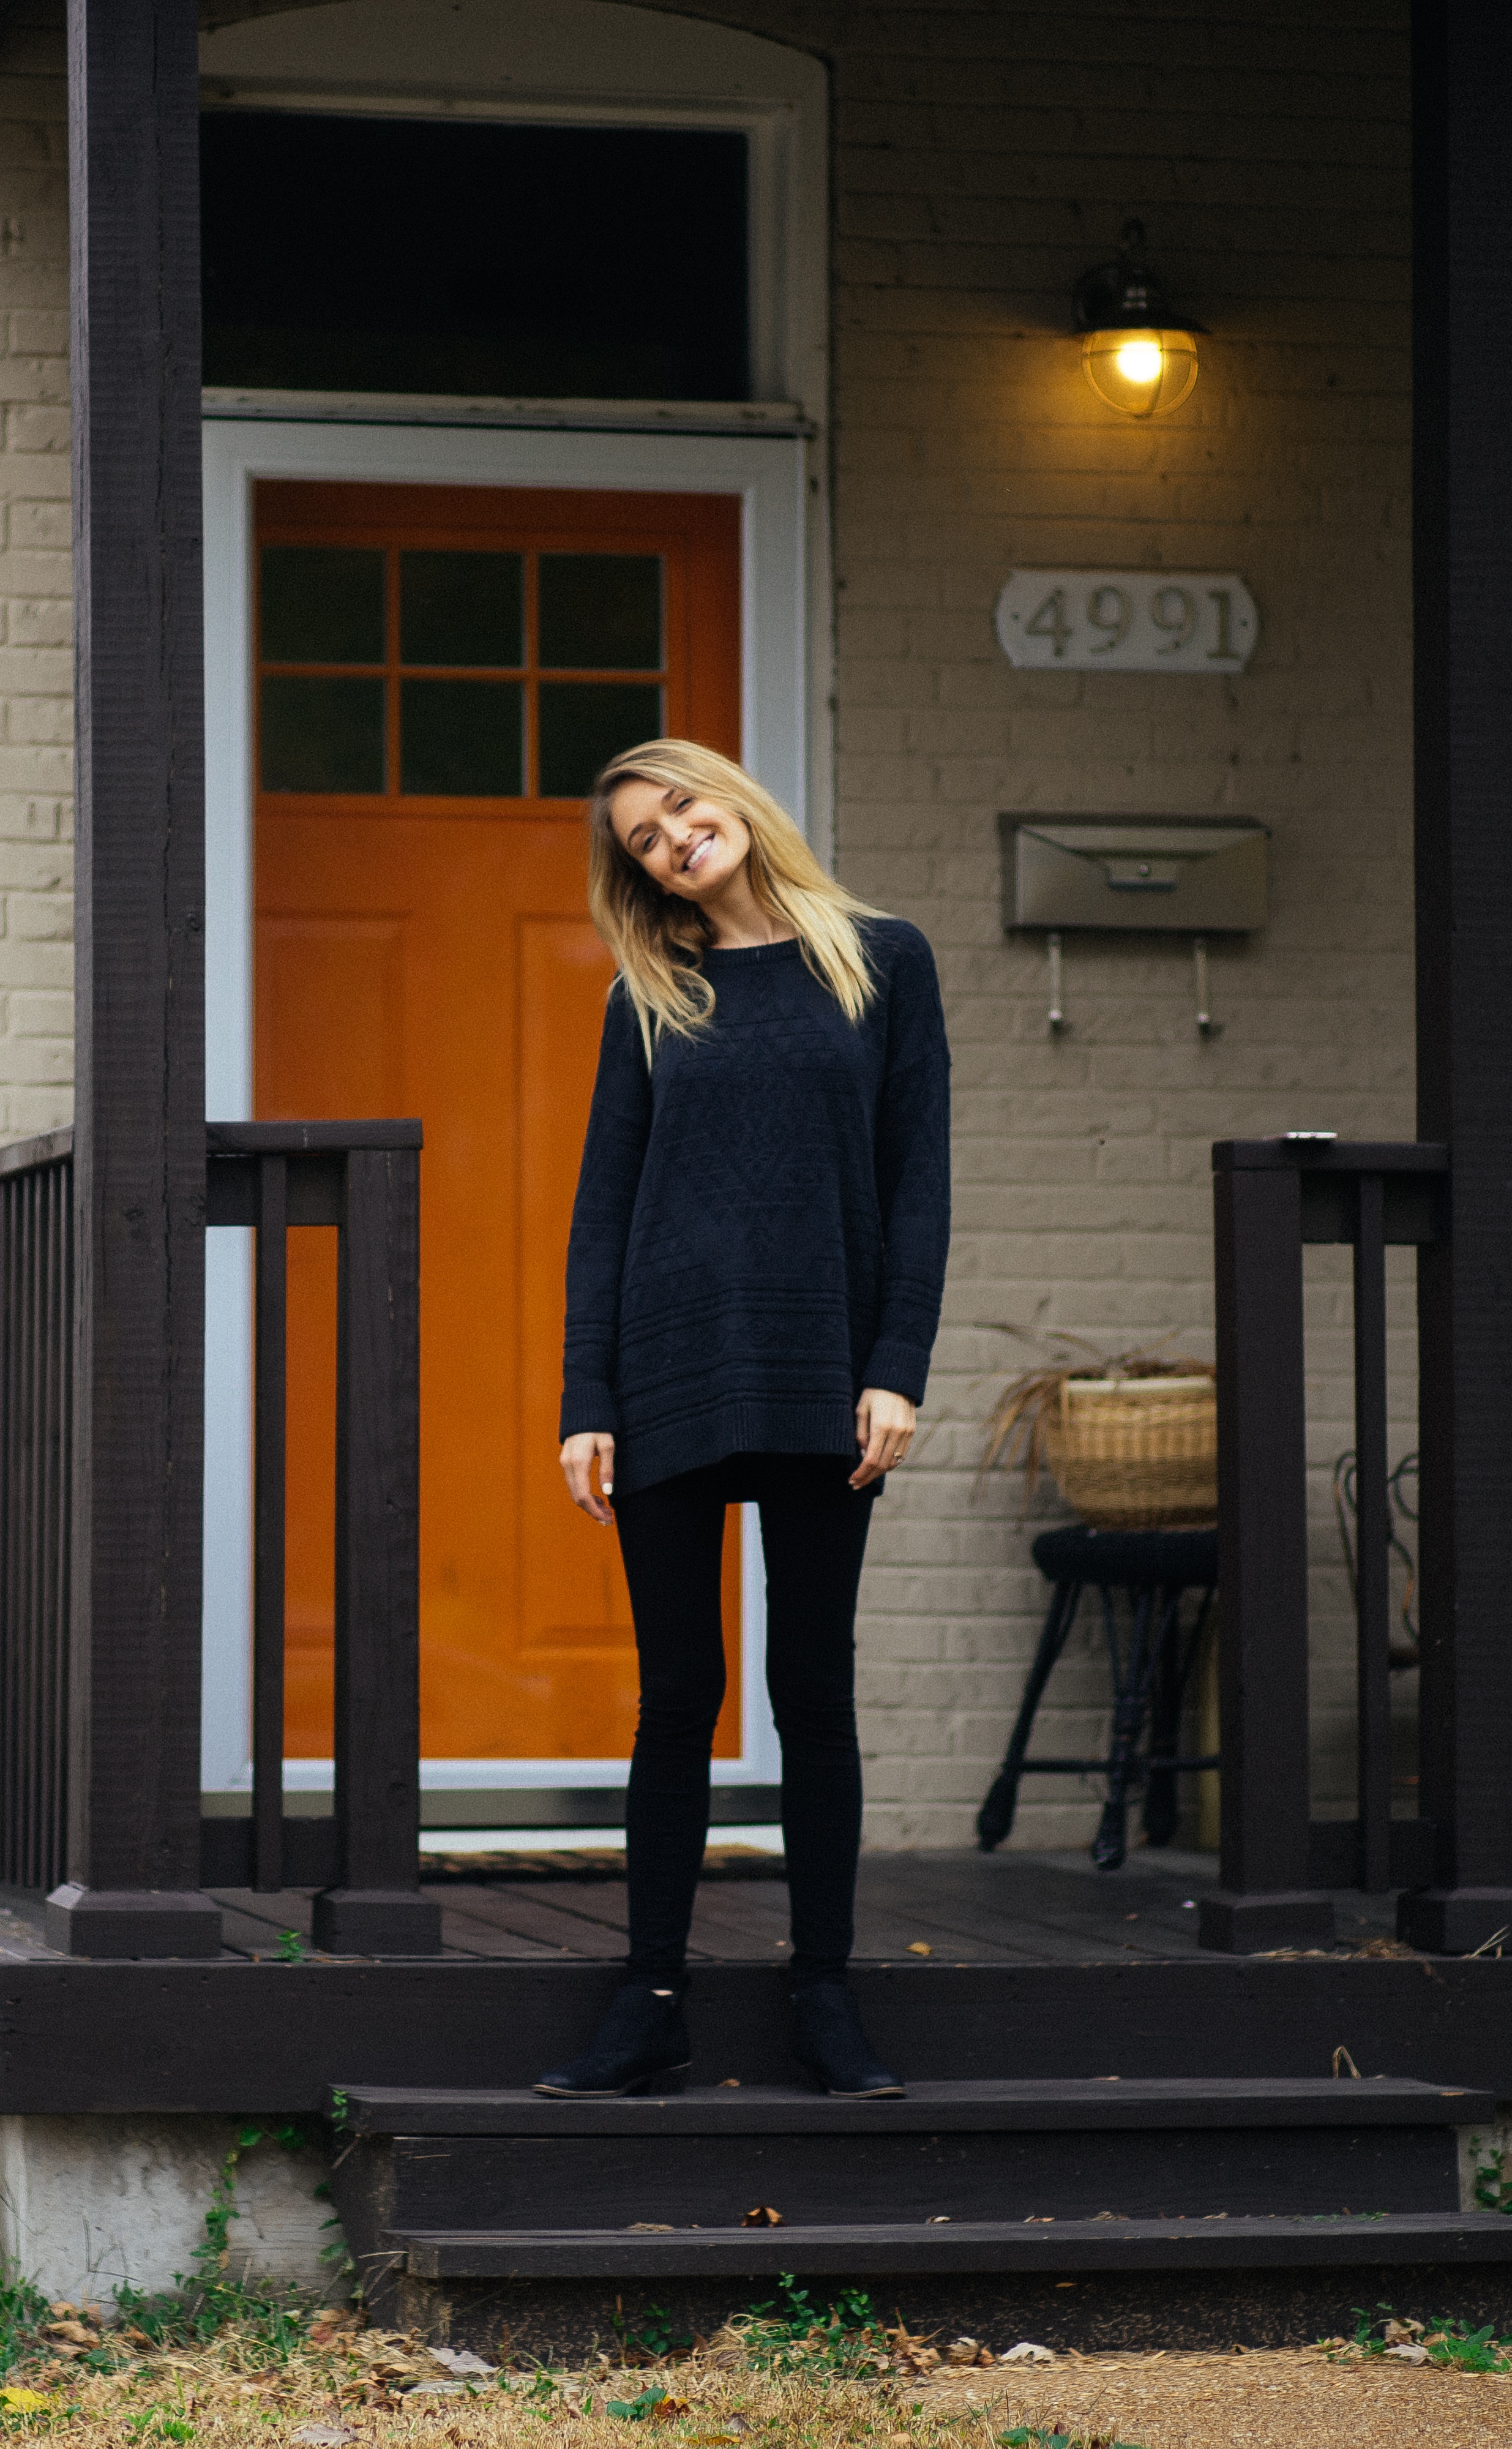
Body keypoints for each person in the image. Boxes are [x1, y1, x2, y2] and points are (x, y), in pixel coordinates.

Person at [534, 740, 949, 2099]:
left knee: (809, 1688)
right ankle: (651, 1998)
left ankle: (823, 1997)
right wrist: (584, 1395)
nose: (672, 841)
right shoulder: (651, 994)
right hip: (666, 1372)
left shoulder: (883, 961)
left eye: (680, 811)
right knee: (680, 1694)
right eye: (645, 843)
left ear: (733, 801)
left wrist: (897, 1364)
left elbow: (918, 1182)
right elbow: (605, 1205)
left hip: (825, 1369)